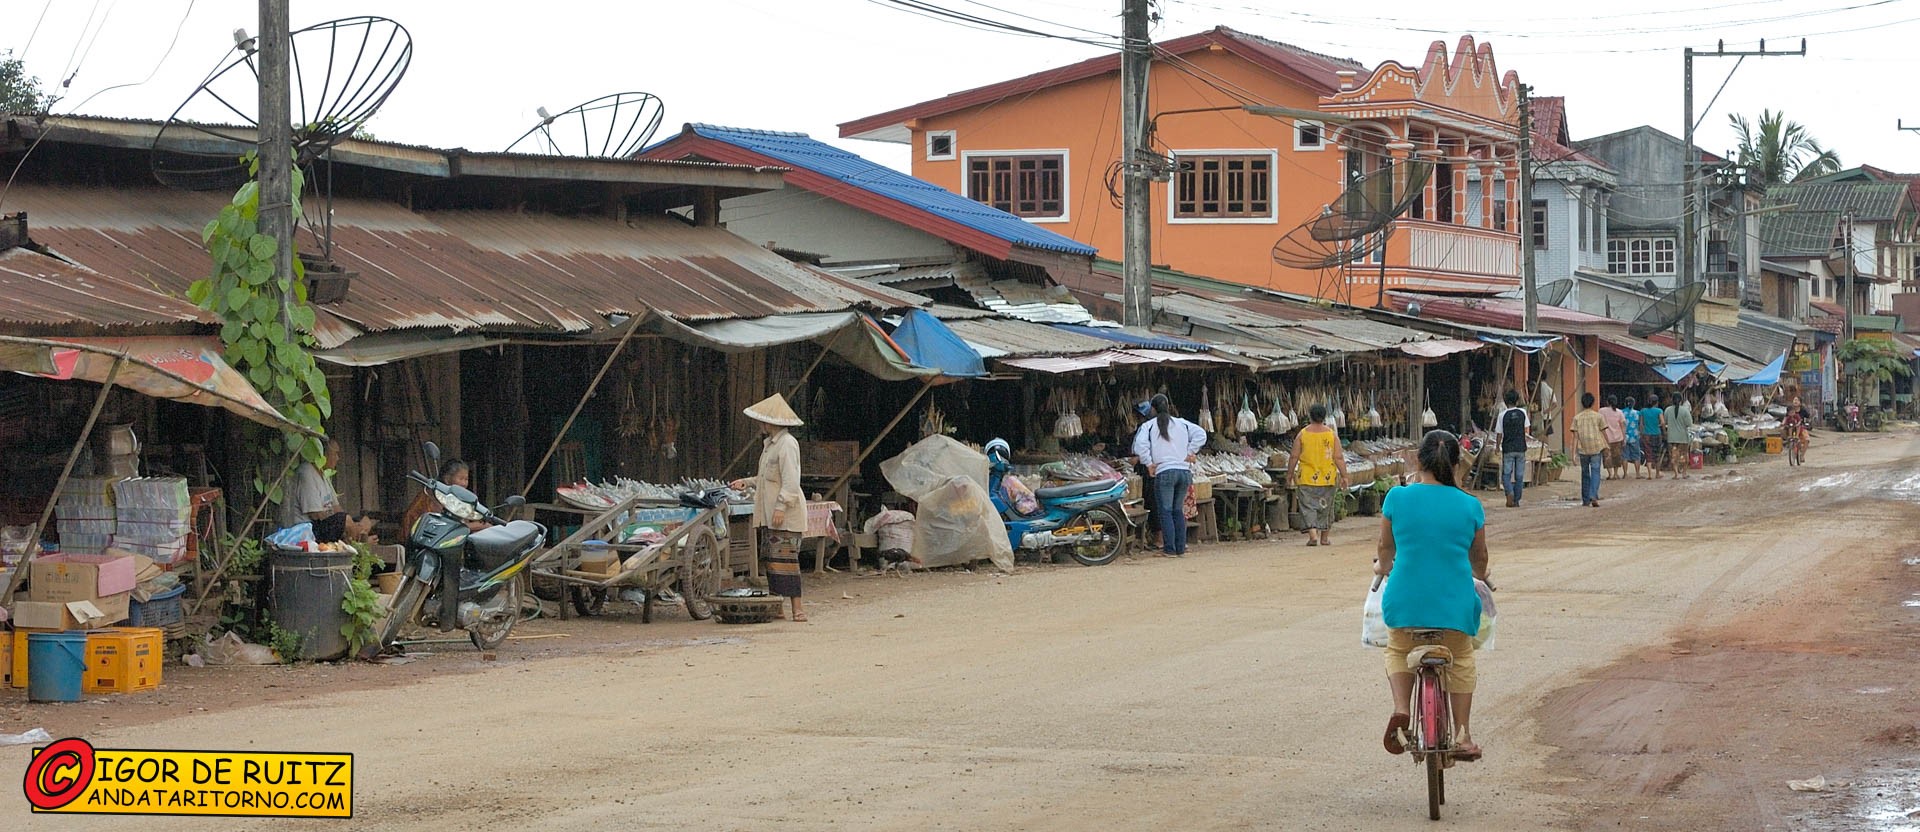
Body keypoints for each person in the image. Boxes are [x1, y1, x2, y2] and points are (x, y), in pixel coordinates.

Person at [1373, 429, 1490, 763]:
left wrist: (1383, 567)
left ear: (1418, 460)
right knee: (1462, 659)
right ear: (1456, 463)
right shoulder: (1470, 505)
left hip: (1404, 602)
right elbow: (1479, 559)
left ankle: (1401, 711)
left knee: (1397, 649)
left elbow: (1385, 548)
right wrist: (1480, 575)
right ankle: (1463, 735)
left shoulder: (1397, 497)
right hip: (1454, 607)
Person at [730, 394, 809, 622]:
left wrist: (781, 506)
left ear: (772, 422)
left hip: (784, 514)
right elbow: (767, 477)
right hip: (770, 513)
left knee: (787, 560)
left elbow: (791, 480)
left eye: (763, 421)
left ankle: (798, 609)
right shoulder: (770, 446)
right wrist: (748, 482)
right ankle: (778, 607)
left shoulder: (787, 444)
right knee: (772, 561)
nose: (761, 425)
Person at [1132, 393, 1206, 557]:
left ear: (1152, 408)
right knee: (1177, 510)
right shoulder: (1182, 423)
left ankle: (1169, 549)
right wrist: (1190, 452)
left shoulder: (1149, 425)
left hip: (1164, 472)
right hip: (1184, 472)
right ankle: (1180, 548)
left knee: (1165, 511)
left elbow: (1139, 445)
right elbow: (1201, 434)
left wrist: (1149, 463)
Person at [277, 438, 374, 543]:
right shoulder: (306, 472)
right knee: (345, 521)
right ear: (323, 454)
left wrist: (355, 525)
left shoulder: (323, 475)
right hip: (309, 530)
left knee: (364, 521)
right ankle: (359, 543)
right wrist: (347, 525)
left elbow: (336, 508)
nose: (338, 458)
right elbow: (316, 514)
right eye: (335, 454)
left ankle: (356, 540)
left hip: (323, 524)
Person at [1286, 404, 1347, 546]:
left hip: (1307, 477)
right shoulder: (1332, 435)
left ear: (1310, 416)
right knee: (1326, 507)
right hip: (1327, 478)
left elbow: (1294, 456)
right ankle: (1324, 539)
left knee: (1308, 507)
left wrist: (1289, 474)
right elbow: (1338, 457)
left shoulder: (1302, 434)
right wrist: (1344, 476)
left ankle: (1313, 535)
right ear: (1324, 417)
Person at [401, 459, 490, 535]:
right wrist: (479, 525)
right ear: (447, 479)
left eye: (466, 479)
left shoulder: (458, 498)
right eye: (460, 479)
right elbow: (442, 527)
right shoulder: (434, 496)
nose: (464, 483)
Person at [1130, 400, 1161, 550]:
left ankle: (1158, 539)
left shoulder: (1150, 428)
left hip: (1150, 470)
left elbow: (1149, 449)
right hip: (1146, 469)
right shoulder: (1146, 427)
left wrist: (1139, 458)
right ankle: (1150, 536)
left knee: (1154, 504)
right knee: (1149, 502)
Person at [1493, 389, 1530, 508]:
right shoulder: (1522, 412)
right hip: (1520, 448)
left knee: (1506, 475)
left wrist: (1497, 447)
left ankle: (1509, 492)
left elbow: (1499, 434)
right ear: (1517, 400)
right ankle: (1516, 500)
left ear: (1505, 400)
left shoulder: (1502, 415)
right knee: (1519, 476)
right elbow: (1525, 429)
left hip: (1508, 448)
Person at [1573, 393, 1608, 508]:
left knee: (1585, 473)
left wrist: (1573, 454)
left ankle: (1585, 500)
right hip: (1596, 447)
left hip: (1583, 449)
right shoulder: (1598, 417)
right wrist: (1607, 446)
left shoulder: (1577, 418)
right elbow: (1604, 432)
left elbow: (1575, 437)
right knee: (1596, 472)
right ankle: (1593, 494)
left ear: (1582, 403)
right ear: (1592, 403)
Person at [1665, 395, 1695, 480]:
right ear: (1681, 401)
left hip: (1671, 438)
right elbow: (1689, 424)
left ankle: (1676, 474)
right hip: (1683, 437)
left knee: (1674, 456)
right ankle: (1684, 473)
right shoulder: (1685, 411)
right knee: (1684, 455)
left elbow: (1666, 421)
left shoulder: (1667, 410)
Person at [1598, 395, 1627, 481]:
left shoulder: (1601, 411)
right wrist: (1624, 437)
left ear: (1607, 402)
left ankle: (1610, 474)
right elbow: (1623, 426)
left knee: (1607, 456)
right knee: (1617, 456)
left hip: (1605, 438)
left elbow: (1599, 423)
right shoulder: (1619, 412)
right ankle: (1615, 473)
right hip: (1617, 437)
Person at [1638, 396, 1667, 480]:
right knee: (1657, 454)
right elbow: (1662, 422)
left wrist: (1641, 433)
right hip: (1657, 434)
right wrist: (1660, 428)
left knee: (1648, 453)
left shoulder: (1642, 411)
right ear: (1656, 402)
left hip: (1646, 434)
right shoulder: (1659, 411)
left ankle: (1650, 474)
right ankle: (1657, 473)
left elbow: (1641, 424)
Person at [1621, 396, 1646, 479]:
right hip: (1635, 436)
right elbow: (1641, 425)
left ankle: (1625, 474)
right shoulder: (1637, 413)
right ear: (1634, 404)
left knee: (1624, 456)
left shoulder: (1621, 412)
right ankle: (1637, 474)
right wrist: (1641, 433)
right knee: (1636, 455)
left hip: (1624, 436)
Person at [1783, 396, 1812, 465]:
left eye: (1797, 400)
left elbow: (1808, 417)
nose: (1795, 401)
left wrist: (1808, 423)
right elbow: (1785, 418)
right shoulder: (1790, 409)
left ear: (1800, 403)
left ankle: (1802, 455)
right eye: (1794, 400)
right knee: (1783, 431)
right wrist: (1783, 424)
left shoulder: (1803, 410)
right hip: (1791, 427)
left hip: (1801, 427)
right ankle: (1787, 442)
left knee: (1807, 439)